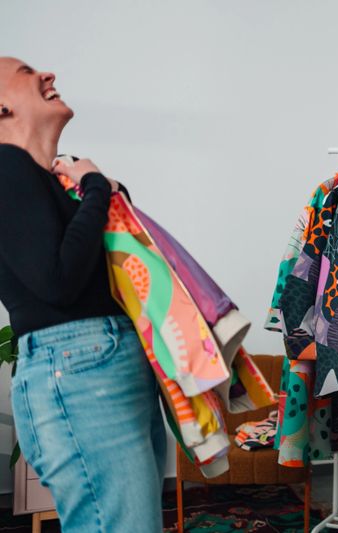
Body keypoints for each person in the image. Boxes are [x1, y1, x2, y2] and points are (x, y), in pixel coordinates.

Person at [0, 57, 166, 533]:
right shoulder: (6, 165)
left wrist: (93, 185)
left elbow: (113, 250)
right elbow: (56, 279)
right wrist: (94, 183)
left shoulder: (50, 178)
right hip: (76, 367)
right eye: (28, 71)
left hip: (97, 364)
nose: (48, 75)